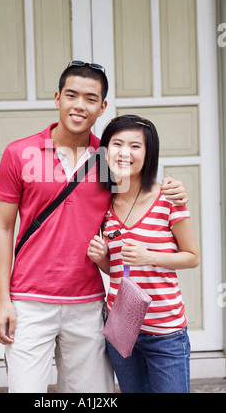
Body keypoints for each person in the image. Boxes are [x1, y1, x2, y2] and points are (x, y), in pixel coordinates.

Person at [0, 62, 188, 393]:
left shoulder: (108, 158)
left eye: (90, 98)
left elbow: (142, 193)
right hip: (28, 299)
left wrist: (175, 188)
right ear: (57, 98)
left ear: (102, 107)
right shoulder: (19, 153)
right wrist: (2, 300)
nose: (79, 105)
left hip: (88, 301)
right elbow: (2, 227)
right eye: (71, 95)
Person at [87, 114, 200, 393]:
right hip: (122, 328)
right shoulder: (105, 206)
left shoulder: (168, 199)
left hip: (165, 334)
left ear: (148, 154)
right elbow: (116, 270)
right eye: (117, 144)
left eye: (135, 146)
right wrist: (101, 257)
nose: (125, 153)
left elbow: (192, 257)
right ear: (105, 151)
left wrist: (150, 256)